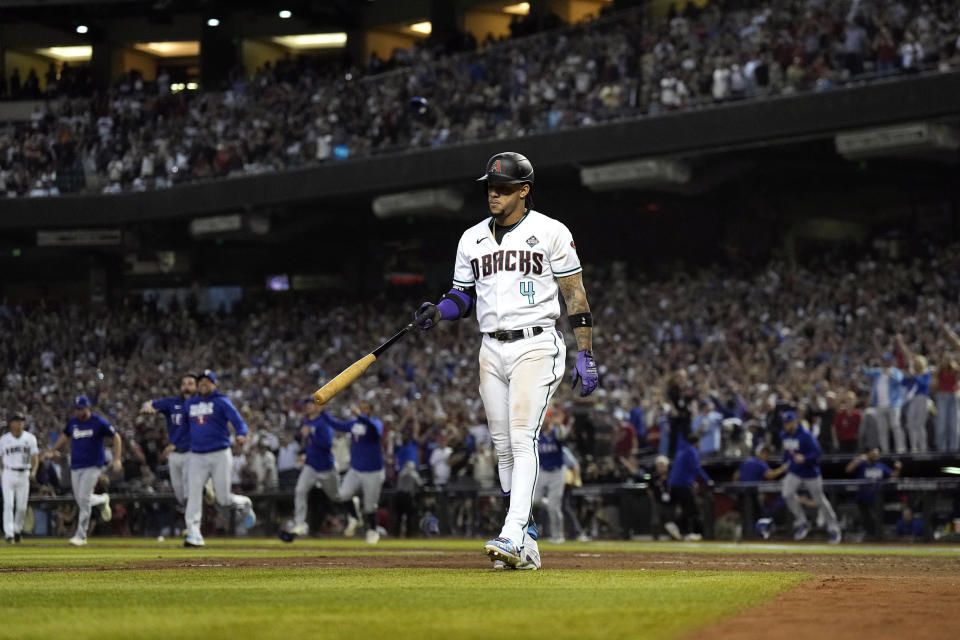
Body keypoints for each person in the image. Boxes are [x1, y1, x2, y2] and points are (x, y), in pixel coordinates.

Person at [413, 151, 598, 570]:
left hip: (537, 342)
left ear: (524, 190)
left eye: (502, 188)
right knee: (502, 450)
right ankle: (528, 542)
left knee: (521, 437)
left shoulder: (551, 231)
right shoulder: (471, 238)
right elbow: (463, 297)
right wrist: (438, 312)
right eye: (489, 187)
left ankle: (512, 533)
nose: (492, 194)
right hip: (490, 347)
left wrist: (585, 353)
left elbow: (575, 295)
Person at [182, 370, 255, 547]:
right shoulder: (190, 403)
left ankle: (244, 503)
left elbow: (239, 422)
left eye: (208, 381)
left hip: (220, 453)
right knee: (193, 493)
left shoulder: (221, 401)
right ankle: (193, 533)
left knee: (223, 499)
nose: (204, 384)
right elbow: (183, 427)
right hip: (197, 455)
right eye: (201, 381)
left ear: (214, 385)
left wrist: (241, 434)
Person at [50, 395, 122, 546]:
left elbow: (116, 437)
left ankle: (81, 535)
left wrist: (116, 458)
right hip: (76, 465)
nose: (78, 411)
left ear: (88, 408)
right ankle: (102, 499)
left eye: (81, 408)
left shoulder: (98, 421)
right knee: (81, 499)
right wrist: (53, 450)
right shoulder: (73, 422)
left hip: (93, 465)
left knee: (83, 500)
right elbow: (64, 436)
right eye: (77, 409)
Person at [320, 402, 385, 544]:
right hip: (355, 469)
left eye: (366, 409)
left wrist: (360, 417)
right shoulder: (354, 423)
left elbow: (375, 431)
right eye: (361, 409)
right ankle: (355, 517)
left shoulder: (376, 422)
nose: (363, 411)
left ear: (371, 411)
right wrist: (323, 412)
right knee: (343, 494)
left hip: (373, 471)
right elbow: (338, 425)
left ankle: (373, 531)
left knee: (370, 505)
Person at [780, 410, 841, 543]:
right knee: (787, 494)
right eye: (785, 423)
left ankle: (833, 528)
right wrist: (785, 463)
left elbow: (818, 453)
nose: (787, 425)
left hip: (810, 472)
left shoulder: (806, 435)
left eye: (790, 422)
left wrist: (805, 458)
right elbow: (787, 452)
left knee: (820, 500)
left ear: (795, 421)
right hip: (795, 471)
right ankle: (802, 521)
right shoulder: (784, 434)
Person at [139, 373, 197, 509]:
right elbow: (150, 402)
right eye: (184, 384)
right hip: (174, 455)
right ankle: (204, 491)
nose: (186, 387)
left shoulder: (202, 405)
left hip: (193, 453)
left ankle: (192, 529)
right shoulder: (172, 403)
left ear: (197, 387)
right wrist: (147, 406)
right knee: (180, 497)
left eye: (190, 384)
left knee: (190, 496)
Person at [288, 400, 343, 538]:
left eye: (311, 404)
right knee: (300, 490)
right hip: (311, 466)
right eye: (306, 404)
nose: (308, 406)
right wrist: (303, 453)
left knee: (336, 496)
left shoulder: (324, 422)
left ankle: (352, 504)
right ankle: (300, 524)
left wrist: (311, 434)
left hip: (326, 467)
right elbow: (307, 443)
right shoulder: (306, 422)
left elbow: (328, 444)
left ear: (320, 407)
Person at [845, 447, 901, 540]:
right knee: (865, 520)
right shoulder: (862, 464)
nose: (875, 455)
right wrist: (858, 459)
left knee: (876, 520)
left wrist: (898, 468)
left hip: (876, 498)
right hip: (862, 497)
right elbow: (848, 470)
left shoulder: (880, 465)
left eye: (877, 453)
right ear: (868, 454)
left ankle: (878, 538)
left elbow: (892, 476)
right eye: (873, 453)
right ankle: (869, 537)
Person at [732, 445, 787, 539]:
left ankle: (744, 536)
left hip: (741, 494)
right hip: (752, 495)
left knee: (745, 515)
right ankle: (755, 536)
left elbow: (735, 476)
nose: (767, 456)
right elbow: (770, 475)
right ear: (761, 453)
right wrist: (783, 469)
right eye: (766, 454)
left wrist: (737, 489)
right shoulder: (760, 463)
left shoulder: (747, 461)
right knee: (757, 516)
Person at [1, 412, 39, 542]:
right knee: (8, 504)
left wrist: (33, 471)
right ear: (11, 423)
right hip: (8, 472)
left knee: (22, 507)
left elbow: (35, 457)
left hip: (24, 473)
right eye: (16, 420)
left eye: (21, 421)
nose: (19, 423)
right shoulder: (4, 439)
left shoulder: (30, 438)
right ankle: (9, 533)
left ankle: (17, 530)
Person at [667, 431, 712, 541]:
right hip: (683, 484)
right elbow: (696, 468)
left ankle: (684, 532)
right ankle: (677, 525)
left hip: (674, 484)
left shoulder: (682, 450)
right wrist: (708, 480)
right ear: (697, 442)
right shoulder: (692, 451)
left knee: (686, 508)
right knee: (692, 508)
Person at [535, 408, 569, 543]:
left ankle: (558, 535)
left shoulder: (556, 432)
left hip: (557, 472)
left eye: (546, 418)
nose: (544, 421)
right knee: (534, 501)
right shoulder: (537, 435)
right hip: (542, 472)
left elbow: (562, 436)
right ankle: (550, 503)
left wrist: (560, 424)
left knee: (554, 508)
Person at [862, 354, 906, 453]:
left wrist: (890, 374)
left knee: (895, 426)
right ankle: (885, 450)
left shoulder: (896, 371)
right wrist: (863, 363)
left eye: (887, 360)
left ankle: (901, 449)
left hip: (893, 404)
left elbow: (900, 381)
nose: (885, 362)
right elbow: (867, 372)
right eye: (883, 360)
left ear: (891, 361)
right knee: (882, 429)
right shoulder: (878, 372)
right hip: (880, 405)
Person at [896, 334, 931, 452]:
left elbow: (924, 385)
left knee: (920, 425)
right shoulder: (913, 373)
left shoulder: (926, 373)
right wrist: (907, 375)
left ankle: (923, 448)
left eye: (917, 363)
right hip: (912, 400)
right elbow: (903, 382)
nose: (916, 365)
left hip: (922, 399)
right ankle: (914, 447)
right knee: (910, 424)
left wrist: (914, 376)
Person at [647, 454, 678, 540]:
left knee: (672, 521)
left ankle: (674, 538)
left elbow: (677, 490)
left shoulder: (673, 477)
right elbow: (649, 490)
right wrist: (655, 500)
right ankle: (655, 538)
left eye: (662, 465)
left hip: (672, 503)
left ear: (667, 466)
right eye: (659, 465)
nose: (660, 467)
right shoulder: (653, 477)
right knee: (655, 520)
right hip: (658, 502)